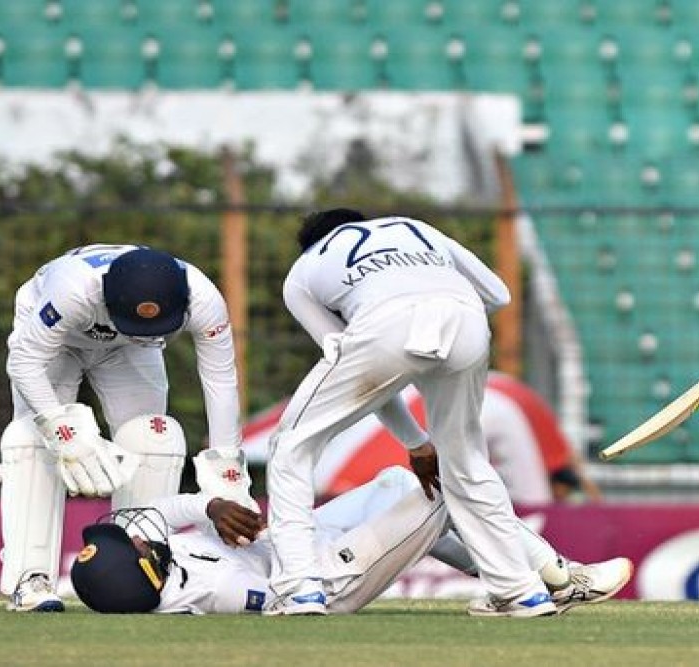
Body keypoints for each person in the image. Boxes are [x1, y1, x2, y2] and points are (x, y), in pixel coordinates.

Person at [266, 208, 630, 616]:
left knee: (292, 445)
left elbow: (345, 355)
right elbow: (498, 294)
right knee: (467, 463)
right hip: (467, 317)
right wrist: (421, 437)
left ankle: (298, 587)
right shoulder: (415, 228)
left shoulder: (303, 272)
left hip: (386, 324)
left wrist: (412, 428)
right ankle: (519, 592)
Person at [0, 244, 253, 613]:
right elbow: (24, 362)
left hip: (132, 346)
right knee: (31, 439)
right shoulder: (72, 290)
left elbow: (221, 381)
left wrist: (227, 471)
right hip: (56, 342)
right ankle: (30, 578)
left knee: (154, 437)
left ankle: (140, 572)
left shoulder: (204, 298)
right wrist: (61, 429)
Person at [68, 463, 631, 615]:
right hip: (327, 574)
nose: (138, 536)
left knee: (398, 483)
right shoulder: (213, 592)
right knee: (441, 490)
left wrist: (210, 506)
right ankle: (559, 575)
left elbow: (155, 512)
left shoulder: (154, 566)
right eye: (135, 548)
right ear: (148, 576)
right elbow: (285, 600)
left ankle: (525, 582)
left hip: (298, 540)